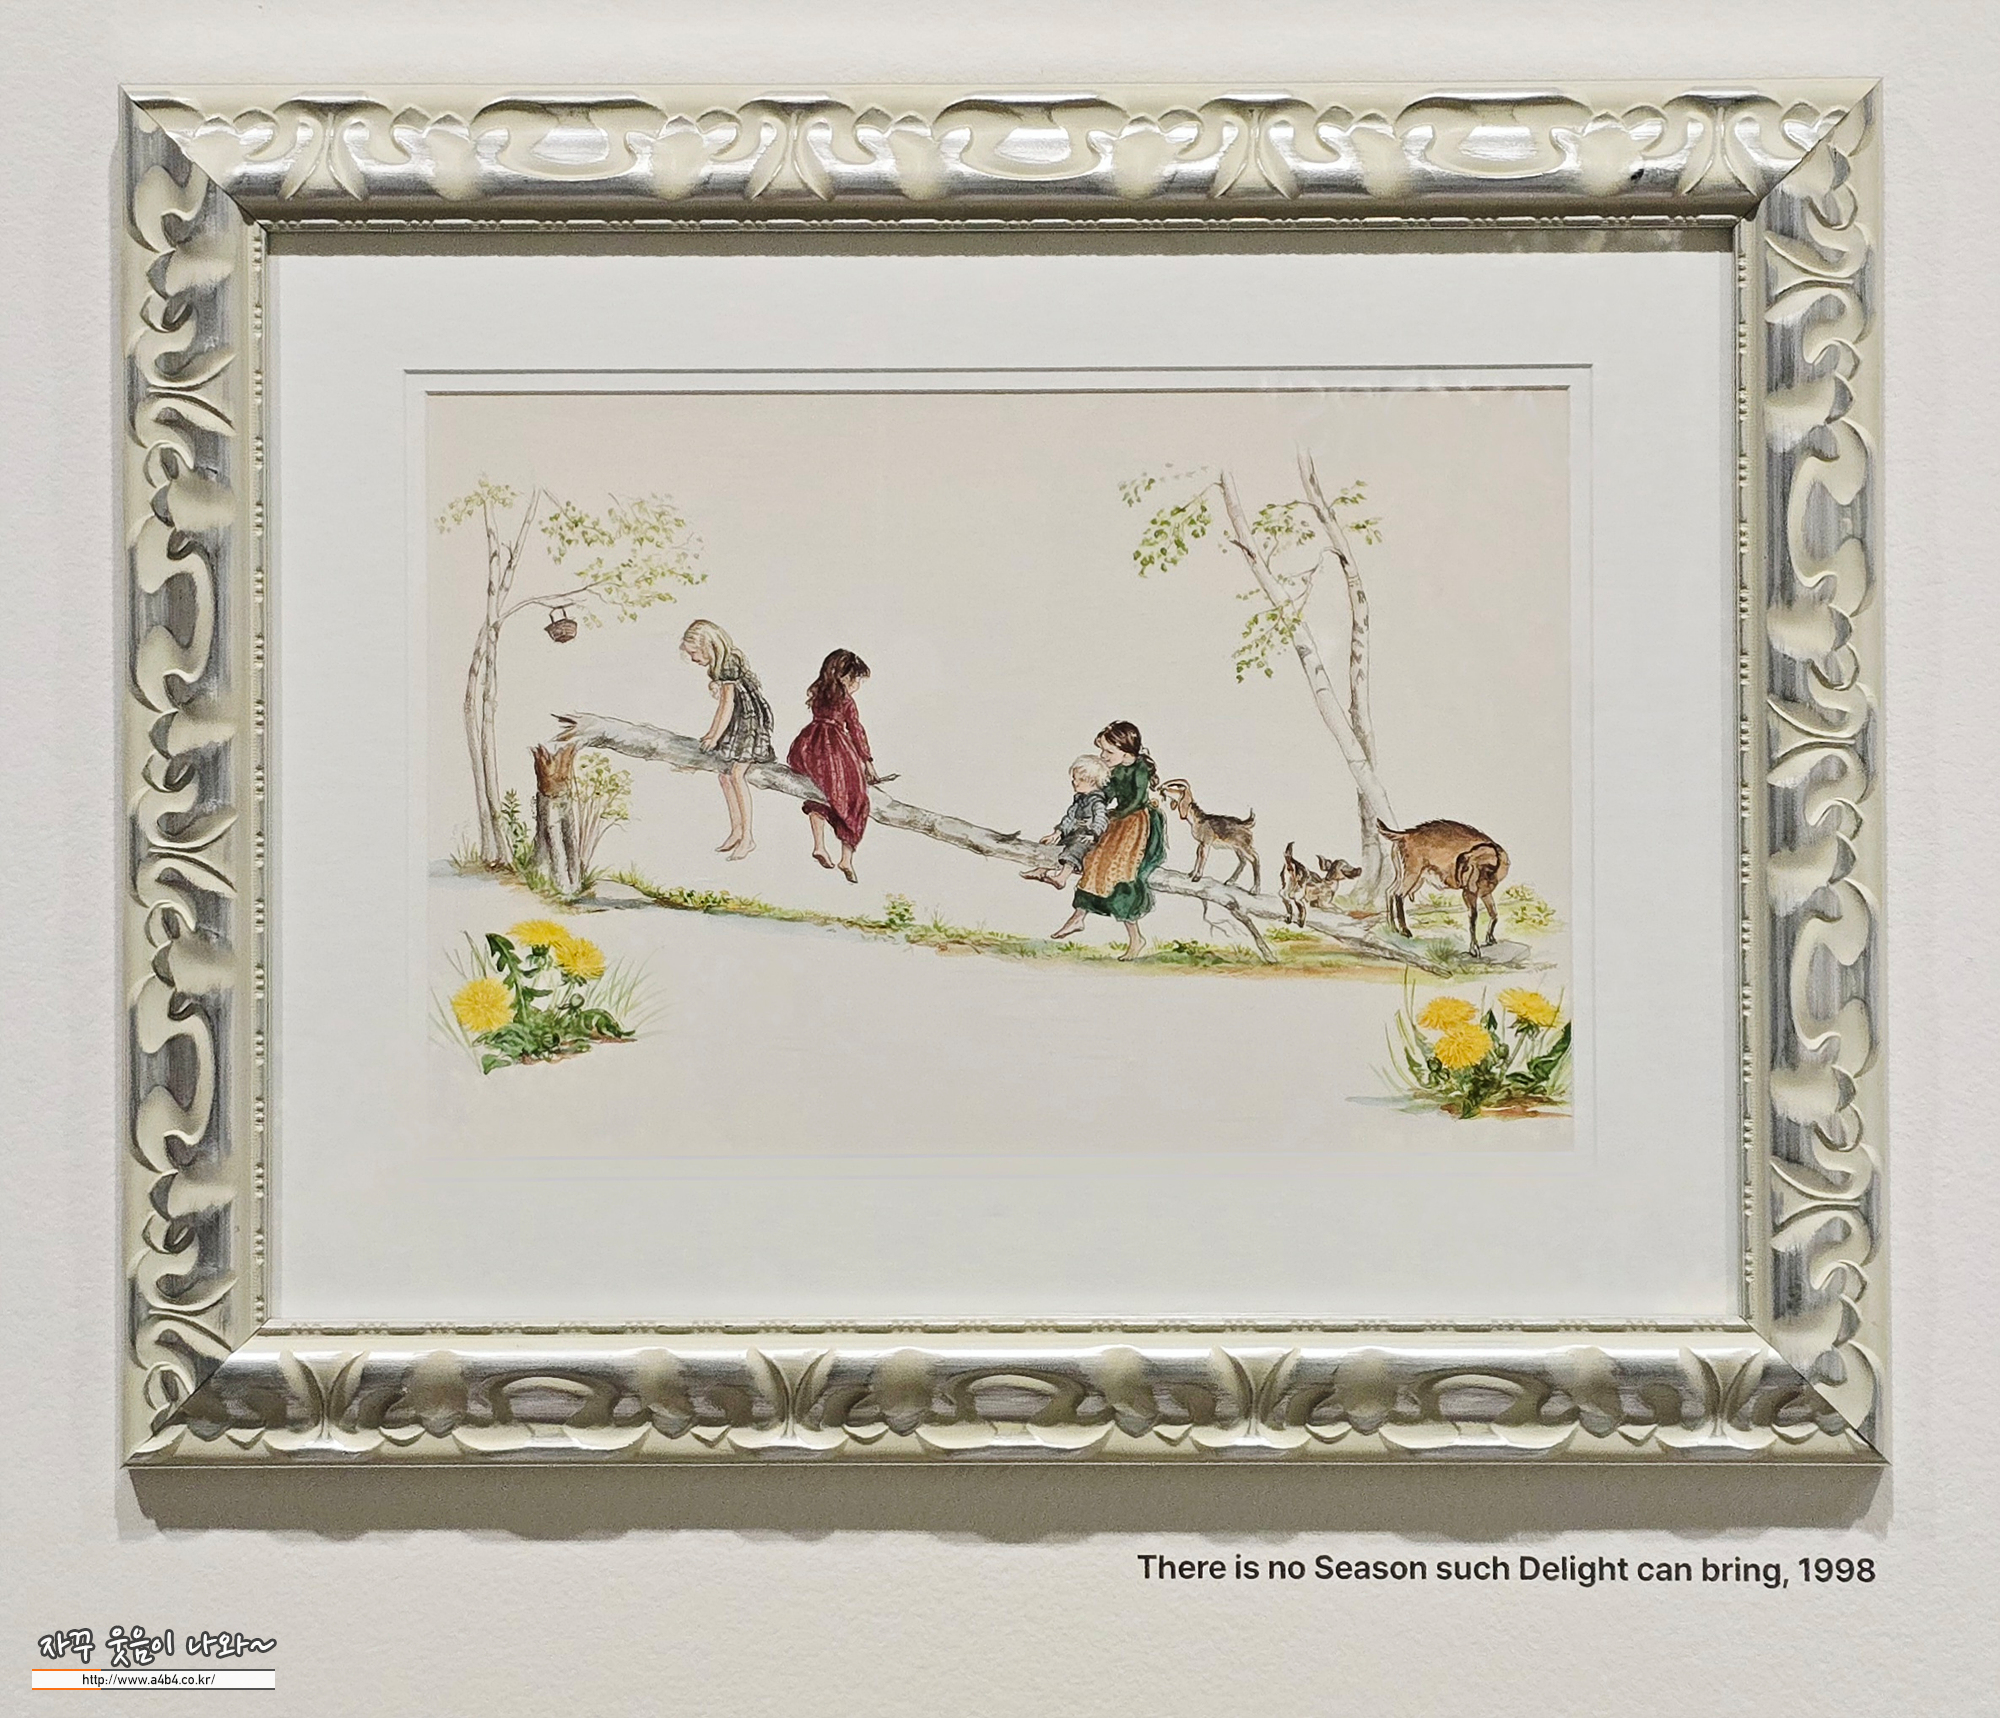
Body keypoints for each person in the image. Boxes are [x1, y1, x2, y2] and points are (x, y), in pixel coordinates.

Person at [1050, 720, 1167, 959]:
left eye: (1108, 751)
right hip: (1117, 820)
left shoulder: (1139, 769)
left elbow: (1135, 801)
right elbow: (1107, 792)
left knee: (1120, 872)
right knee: (1093, 859)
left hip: (1136, 823)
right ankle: (1078, 917)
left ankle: (1136, 939)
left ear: (1126, 752)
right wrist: (1094, 800)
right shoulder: (1113, 769)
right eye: (1102, 750)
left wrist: (1112, 813)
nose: (1102, 756)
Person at [678, 619, 775, 859]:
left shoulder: (727, 664)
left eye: (694, 652)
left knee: (737, 775)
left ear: (708, 646)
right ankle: (737, 830)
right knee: (724, 776)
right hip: (738, 721)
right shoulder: (723, 664)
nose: (692, 658)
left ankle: (748, 837)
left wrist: (714, 735)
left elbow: (727, 704)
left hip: (748, 724)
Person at [786, 648, 879, 883]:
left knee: (818, 793)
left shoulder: (818, 693)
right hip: (835, 749)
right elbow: (856, 730)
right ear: (843, 676)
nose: (857, 685)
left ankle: (819, 845)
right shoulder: (846, 700)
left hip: (808, 746)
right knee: (856, 797)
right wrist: (867, 761)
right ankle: (846, 859)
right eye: (856, 679)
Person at [1022, 755, 1111, 889]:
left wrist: (1093, 834)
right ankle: (1041, 870)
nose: (1075, 782)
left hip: (1086, 837)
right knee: (1057, 847)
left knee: (1075, 849)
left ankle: (1062, 877)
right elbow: (1069, 818)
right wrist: (1058, 833)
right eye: (1074, 779)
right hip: (1073, 834)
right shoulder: (1079, 799)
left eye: (1080, 779)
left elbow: (1101, 819)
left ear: (1092, 781)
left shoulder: (1097, 801)